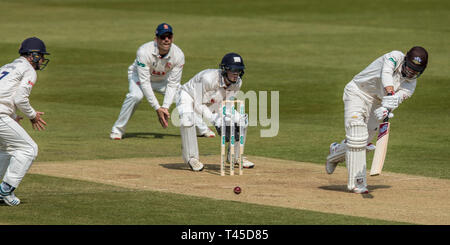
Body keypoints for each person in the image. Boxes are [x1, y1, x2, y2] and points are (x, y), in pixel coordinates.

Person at [325, 46, 428, 194]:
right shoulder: (394, 57)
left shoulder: (410, 85)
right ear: (405, 59)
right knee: (356, 131)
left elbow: (395, 101)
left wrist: (386, 109)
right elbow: (386, 73)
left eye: (416, 71)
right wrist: (391, 94)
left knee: (362, 143)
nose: (411, 73)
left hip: (378, 103)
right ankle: (357, 183)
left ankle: (335, 152)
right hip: (358, 92)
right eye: (410, 68)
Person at [110, 23, 215, 140]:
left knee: (183, 96)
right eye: (163, 37)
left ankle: (201, 129)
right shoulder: (144, 52)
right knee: (135, 96)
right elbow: (145, 83)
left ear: (172, 38)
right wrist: (157, 107)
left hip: (163, 80)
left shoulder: (178, 55)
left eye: (169, 37)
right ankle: (117, 130)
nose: (166, 40)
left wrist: (165, 107)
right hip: (139, 78)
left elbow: (173, 83)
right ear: (156, 39)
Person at [176, 52, 255, 171]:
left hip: (213, 101)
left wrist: (228, 121)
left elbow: (227, 105)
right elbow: (198, 106)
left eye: (238, 70)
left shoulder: (237, 83)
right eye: (233, 69)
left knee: (241, 120)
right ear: (224, 69)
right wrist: (216, 122)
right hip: (189, 96)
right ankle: (192, 158)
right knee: (188, 121)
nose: (236, 74)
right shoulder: (207, 78)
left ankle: (235, 156)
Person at [0, 37, 49, 206]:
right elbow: (20, 98)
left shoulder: (7, 66)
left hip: (2, 113)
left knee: (7, 149)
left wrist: (12, 117)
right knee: (29, 149)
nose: (42, 60)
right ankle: (5, 190)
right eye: (41, 56)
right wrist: (32, 115)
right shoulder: (28, 70)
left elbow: (5, 93)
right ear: (33, 56)